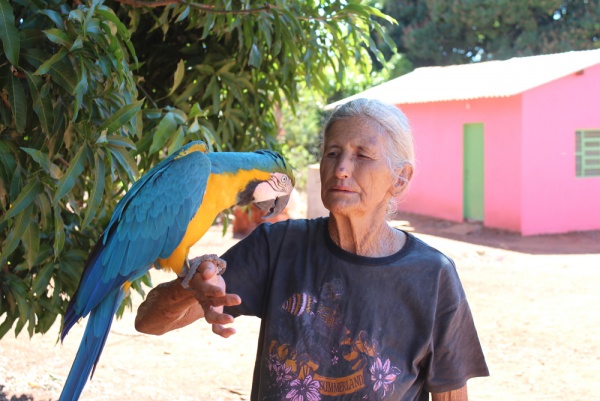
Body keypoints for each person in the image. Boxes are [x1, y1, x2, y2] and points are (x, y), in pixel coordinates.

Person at [135, 98, 489, 401]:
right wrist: (189, 288)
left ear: (400, 179)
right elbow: (148, 322)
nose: (341, 168)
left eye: (362, 155)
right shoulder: (278, 246)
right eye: (332, 153)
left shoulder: (432, 276)